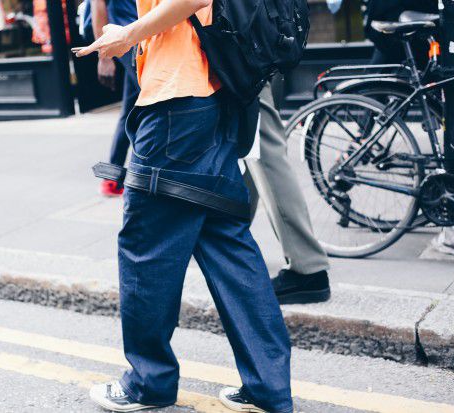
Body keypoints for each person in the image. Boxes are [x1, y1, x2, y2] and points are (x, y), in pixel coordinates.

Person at [76, 0, 293, 411]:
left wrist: (129, 33)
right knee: (227, 244)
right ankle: (268, 387)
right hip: (215, 98)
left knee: (146, 247)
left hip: (176, 105)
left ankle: (147, 382)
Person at [244, 82, 331, 305]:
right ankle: (230, 242)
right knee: (252, 146)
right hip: (242, 56)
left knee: (262, 148)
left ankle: (308, 266)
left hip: (235, 56)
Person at [90, 0, 139, 197]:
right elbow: (98, 7)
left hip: (142, 39)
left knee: (130, 111)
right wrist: (104, 57)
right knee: (155, 105)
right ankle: (146, 178)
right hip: (129, 40)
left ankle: (112, 179)